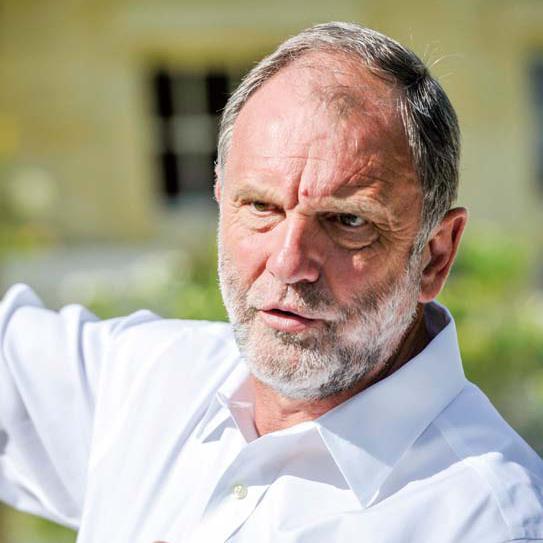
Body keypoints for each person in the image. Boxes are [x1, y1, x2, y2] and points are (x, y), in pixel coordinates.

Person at [0, 21, 542, 543]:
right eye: (261, 206)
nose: (288, 262)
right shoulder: (146, 382)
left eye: (347, 220)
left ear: (435, 255)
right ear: (220, 197)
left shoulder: (492, 522)